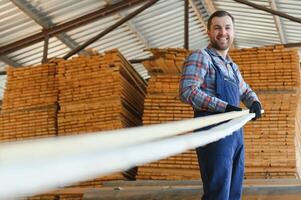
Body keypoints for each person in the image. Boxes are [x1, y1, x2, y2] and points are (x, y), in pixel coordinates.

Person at [179, 10, 262, 200]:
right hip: (212, 131)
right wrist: (224, 107)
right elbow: (187, 91)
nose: (222, 32)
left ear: (233, 32)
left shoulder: (232, 66)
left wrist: (255, 101)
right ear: (209, 32)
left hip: (235, 134)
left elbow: (245, 90)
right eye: (217, 28)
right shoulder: (201, 56)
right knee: (218, 194)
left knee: (234, 193)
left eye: (227, 28)